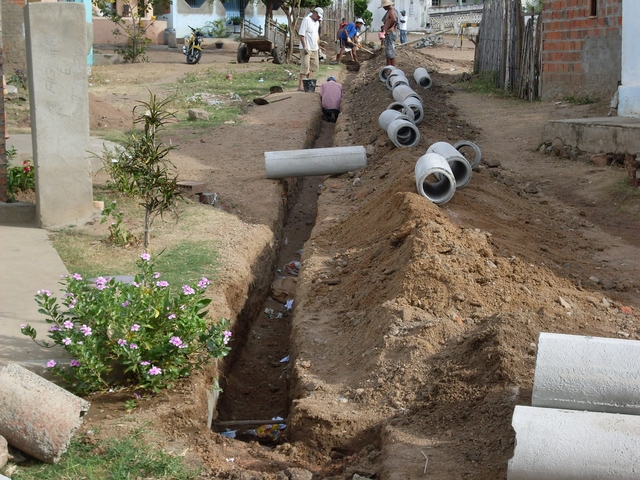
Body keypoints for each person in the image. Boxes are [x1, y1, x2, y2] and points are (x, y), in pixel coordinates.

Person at [298, 7, 323, 91]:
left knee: (312, 67)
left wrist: (318, 46)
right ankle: (300, 86)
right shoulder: (306, 20)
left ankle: (309, 84)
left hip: (314, 48)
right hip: (306, 47)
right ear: (314, 13)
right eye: (318, 16)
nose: (319, 18)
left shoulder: (317, 23)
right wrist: (304, 46)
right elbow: (301, 34)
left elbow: (316, 35)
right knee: (305, 67)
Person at [380, 0, 398, 66]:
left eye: (384, 6)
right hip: (388, 33)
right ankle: (388, 67)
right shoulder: (389, 11)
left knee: (390, 51)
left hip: (390, 33)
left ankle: (392, 69)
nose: (383, 8)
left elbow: (394, 19)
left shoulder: (391, 11)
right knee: (388, 51)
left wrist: (391, 27)